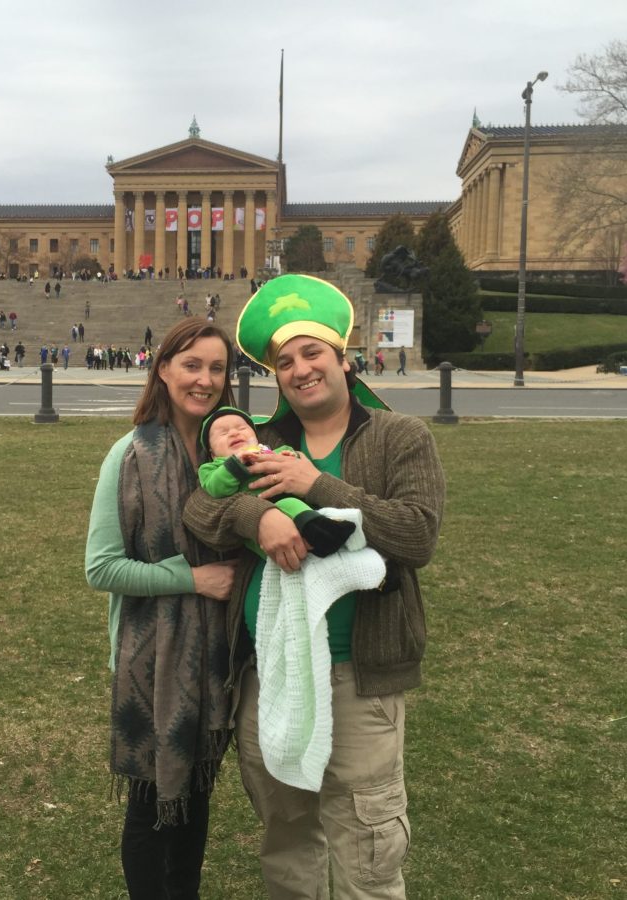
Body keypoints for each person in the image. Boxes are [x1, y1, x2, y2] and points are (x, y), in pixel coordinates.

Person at [183, 274, 445, 899]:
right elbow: (201, 507)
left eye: (312, 353)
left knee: (366, 853)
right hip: (271, 674)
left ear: (343, 359)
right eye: (285, 362)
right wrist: (260, 517)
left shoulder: (399, 436)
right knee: (288, 840)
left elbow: (417, 535)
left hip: (358, 678)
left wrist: (315, 486)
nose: (300, 370)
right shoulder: (264, 440)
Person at [85, 318, 240, 899]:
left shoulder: (232, 453)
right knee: (150, 810)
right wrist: (192, 579)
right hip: (152, 664)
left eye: (217, 368)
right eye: (192, 365)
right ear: (164, 369)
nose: (205, 380)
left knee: (196, 800)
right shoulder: (130, 454)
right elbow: (102, 568)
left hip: (216, 659)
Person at [198, 406, 355, 558]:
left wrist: (290, 456)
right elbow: (215, 487)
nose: (234, 433)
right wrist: (234, 464)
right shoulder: (211, 468)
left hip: (290, 503)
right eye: (223, 433)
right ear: (212, 453)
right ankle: (321, 538)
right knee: (288, 506)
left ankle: (324, 532)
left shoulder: (267, 452)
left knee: (292, 503)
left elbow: (294, 463)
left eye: (242, 428)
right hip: (260, 529)